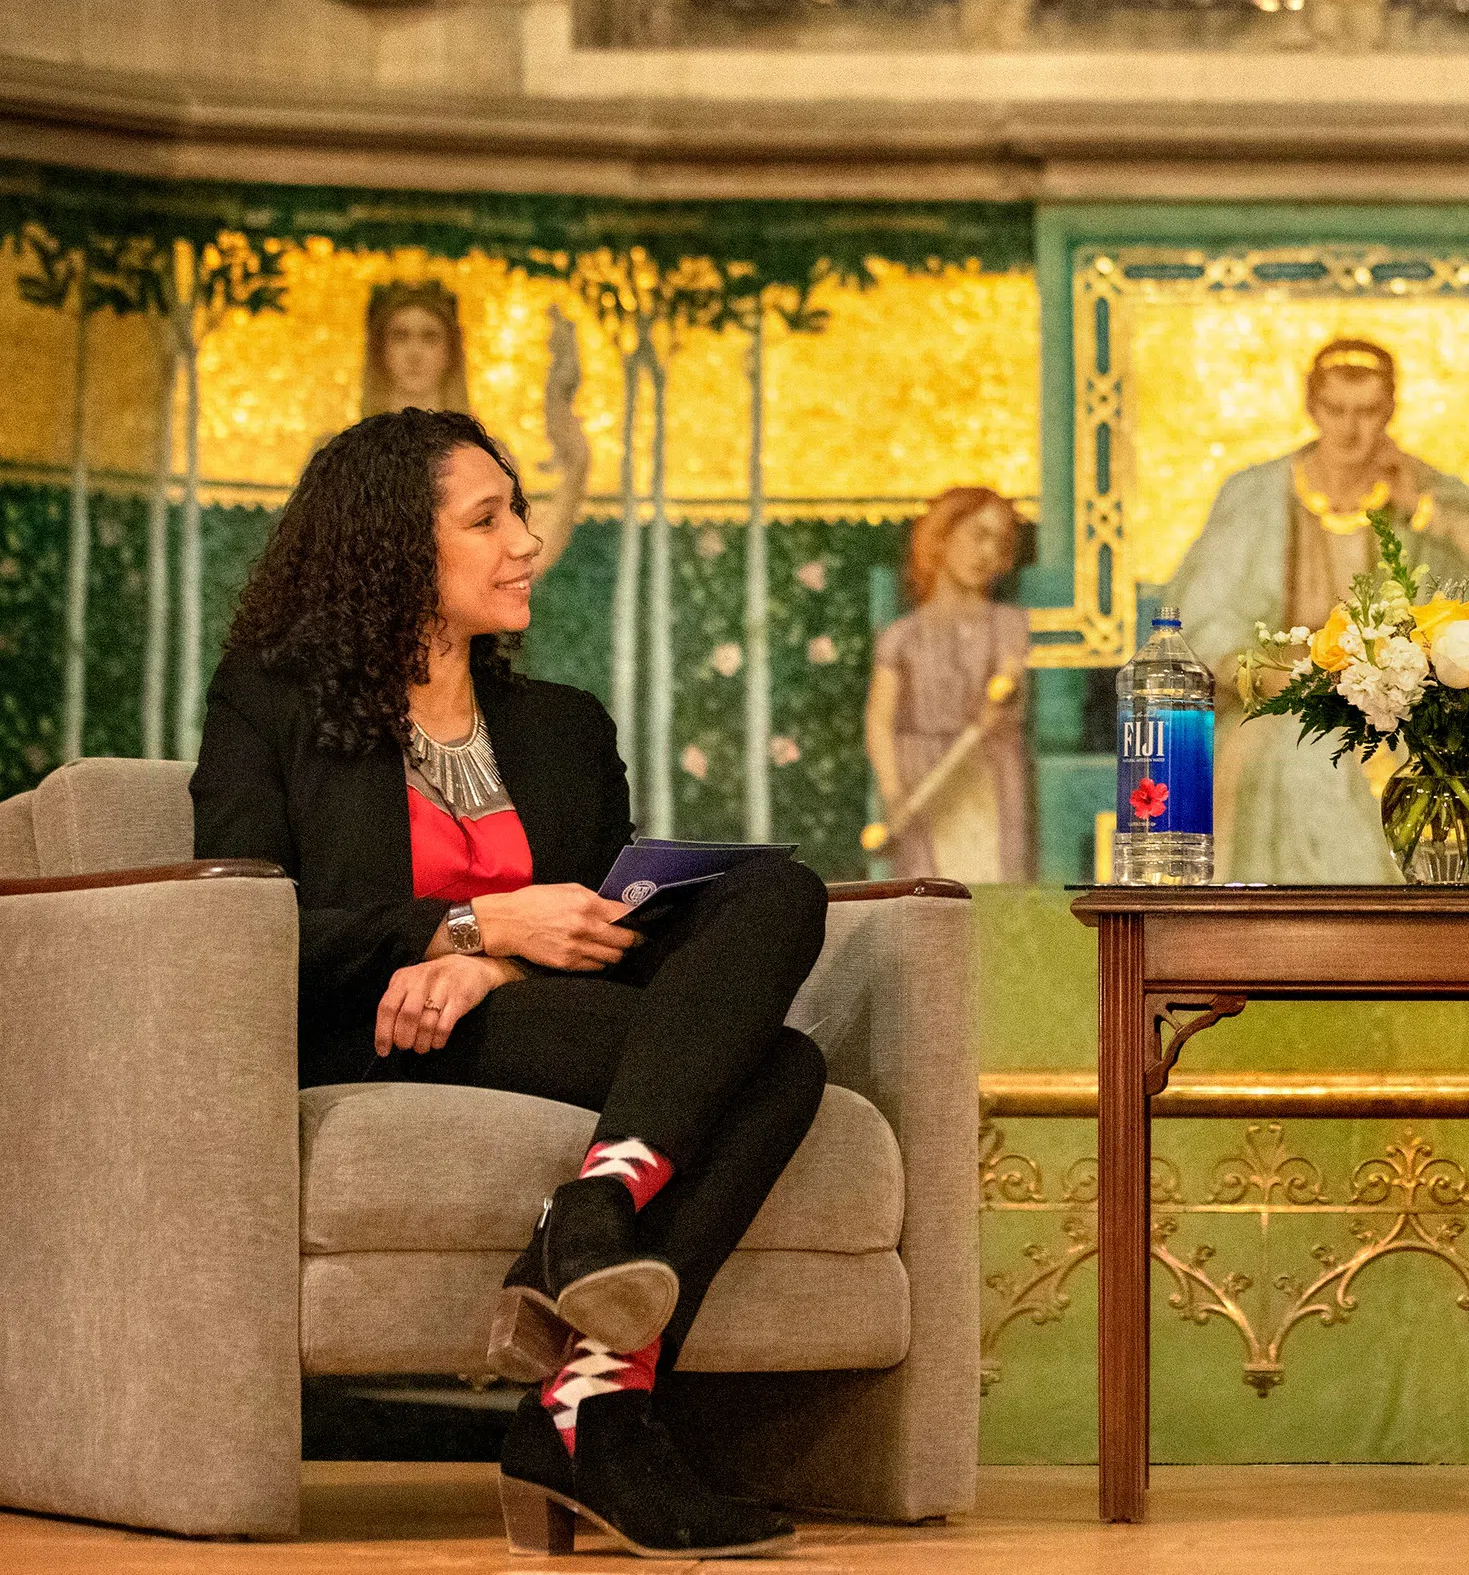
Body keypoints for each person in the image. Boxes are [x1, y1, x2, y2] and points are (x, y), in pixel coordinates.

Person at [193, 408, 824, 1559]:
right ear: (393, 546)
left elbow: (598, 936)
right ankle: (598, 1414)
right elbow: (240, 922)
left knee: (783, 895)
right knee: (782, 1066)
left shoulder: (564, 726)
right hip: (378, 1027)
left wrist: (491, 961)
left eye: (520, 509)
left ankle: (590, 1240)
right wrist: (464, 925)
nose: (526, 539)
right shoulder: (268, 703)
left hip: (514, 1007)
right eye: (488, 518)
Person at [1168, 338, 1469, 882]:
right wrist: (1262, 672)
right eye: (1336, 410)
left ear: (1390, 411)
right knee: (1300, 758)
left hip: (1411, 699)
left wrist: (1424, 510)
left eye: (1367, 411)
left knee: (1462, 765)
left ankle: (1439, 949)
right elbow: (1204, 613)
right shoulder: (1257, 495)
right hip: (1288, 696)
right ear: (1312, 408)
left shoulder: (1417, 485)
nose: (1350, 429)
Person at [359, 280, 592, 579]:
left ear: (450, 351)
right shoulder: (343, 453)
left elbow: (525, 555)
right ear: (380, 349)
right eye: (400, 337)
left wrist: (576, 466)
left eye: (430, 338)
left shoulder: (486, 455)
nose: (414, 352)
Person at [867, 487, 1035, 883]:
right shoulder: (902, 637)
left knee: (990, 894)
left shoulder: (1009, 625)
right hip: (923, 779)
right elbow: (879, 721)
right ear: (942, 537)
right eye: (979, 535)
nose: (987, 553)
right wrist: (894, 795)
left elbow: (1009, 687)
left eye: (1000, 542)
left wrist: (1000, 702)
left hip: (986, 774)